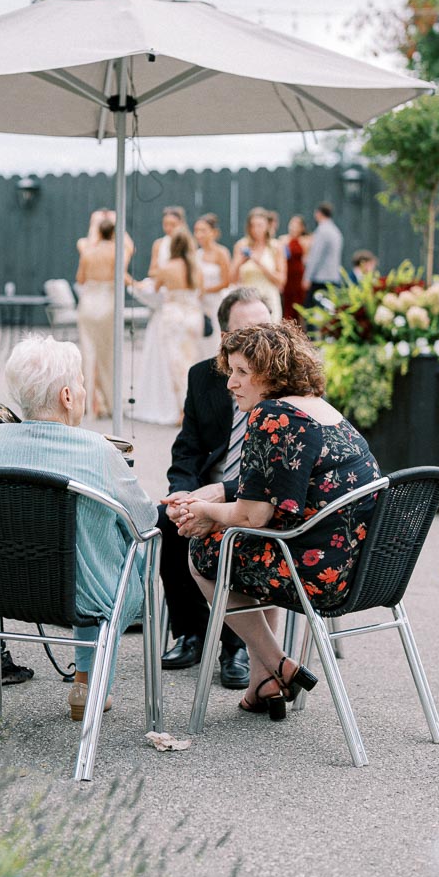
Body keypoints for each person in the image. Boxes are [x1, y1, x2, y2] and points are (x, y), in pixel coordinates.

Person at [170, 320, 381, 721]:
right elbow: (282, 491)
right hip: (362, 567)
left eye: (242, 372)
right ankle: (260, 683)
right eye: (230, 370)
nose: (230, 383)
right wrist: (218, 501)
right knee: (240, 545)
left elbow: (254, 514)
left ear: (272, 372)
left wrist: (204, 514)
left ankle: (277, 663)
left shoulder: (272, 416)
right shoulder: (317, 407)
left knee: (206, 554)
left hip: (319, 573)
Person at [0, 335, 157, 721]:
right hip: (83, 596)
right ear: (66, 396)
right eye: (78, 381)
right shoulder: (98, 451)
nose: (81, 388)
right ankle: (88, 682)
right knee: (133, 552)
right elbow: (146, 520)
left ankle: (85, 679)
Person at [158, 287, 273, 689]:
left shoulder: (284, 386)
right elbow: (186, 449)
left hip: (257, 495)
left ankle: (238, 645)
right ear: (225, 339)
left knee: (235, 529)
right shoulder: (202, 376)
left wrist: (219, 497)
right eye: (246, 332)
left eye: (265, 329)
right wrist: (182, 495)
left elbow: (275, 475)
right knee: (166, 519)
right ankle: (190, 632)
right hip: (208, 485)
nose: (258, 341)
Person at [134, 226, 203, 425]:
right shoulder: (195, 267)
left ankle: (183, 410)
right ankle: (194, 406)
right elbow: (201, 291)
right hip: (193, 316)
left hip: (174, 317)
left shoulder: (166, 267)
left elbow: (155, 291)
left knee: (176, 364)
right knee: (191, 361)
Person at [76, 217, 118, 419]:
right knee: (107, 354)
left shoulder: (88, 252)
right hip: (107, 304)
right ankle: (110, 402)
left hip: (88, 303)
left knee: (88, 352)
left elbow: (80, 279)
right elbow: (119, 277)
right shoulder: (116, 252)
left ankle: (88, 402)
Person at [229, 207, 286, 320]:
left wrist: (260, 264)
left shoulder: (276, 247)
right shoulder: (241, 245)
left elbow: (281, 280)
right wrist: (239, 263)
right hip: (246, 300)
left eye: (259, 225)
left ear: (267, 226)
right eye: (252, 225)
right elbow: (231, 279)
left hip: (269, 299)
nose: (256, 229)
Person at [193, 213, 231, 357]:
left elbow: (226, 281)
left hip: (215, 302)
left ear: (213, 232)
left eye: (203, 230)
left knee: (214, 341)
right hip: (199, 303)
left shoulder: (221, 253)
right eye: (196, 230)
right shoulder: (196, 254)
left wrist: (205, 290)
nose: (199, 234)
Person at [303, 202, 343, 307]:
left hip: (320, 278)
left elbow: (315, 255)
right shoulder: (336, 231)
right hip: (333, 276)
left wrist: (307, 277)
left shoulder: (322, 231)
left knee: (310, 308)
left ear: (318, 214)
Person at [278, 214, 309, 321]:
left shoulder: (305, 240)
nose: (293, 227)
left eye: (296, 225)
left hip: (299, 276)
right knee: (287, 304)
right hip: (287, 274)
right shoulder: (283, 239)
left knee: (299, 305)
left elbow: (306, 260)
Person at [146, 206, 187, 276]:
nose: (168, 228)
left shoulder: (187, 244)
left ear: (181, 223)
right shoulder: (158, 244)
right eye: (165, 224)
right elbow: (151, 272)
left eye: (173, 225)